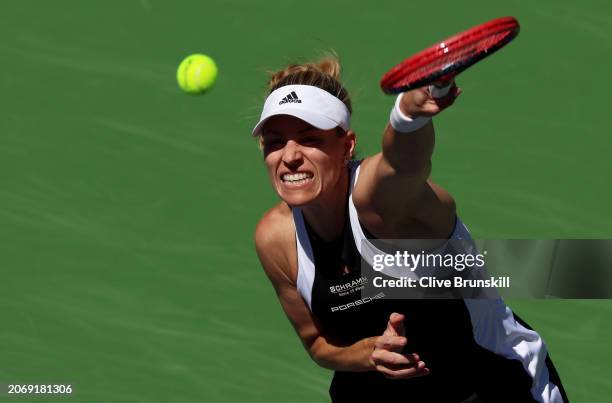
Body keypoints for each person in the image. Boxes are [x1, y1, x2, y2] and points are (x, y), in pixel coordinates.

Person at [253, 56, 568, 402]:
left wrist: (407, 117)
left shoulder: (378, 202)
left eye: (310, 138)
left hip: (492, 386)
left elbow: (402, 164)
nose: (290, 156)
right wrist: (369, 353)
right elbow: (317, 344)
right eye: (275, 142)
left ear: (347, 146)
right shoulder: (276, 240)